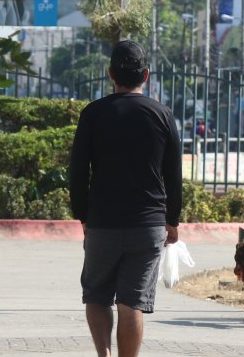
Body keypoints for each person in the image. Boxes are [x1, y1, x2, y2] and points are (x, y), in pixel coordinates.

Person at [69, 40, 182, 357]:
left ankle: (103, 354)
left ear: (110, 74)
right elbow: (174, 176)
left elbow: (78, 172)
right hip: (147, 226)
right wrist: (172, 221)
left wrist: (84, 217)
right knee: (131, 301)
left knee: (97, 294)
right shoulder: (162, 115)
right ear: (145, 75)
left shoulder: (92, 114)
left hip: (102, 223)